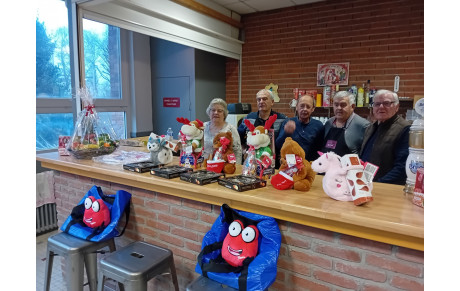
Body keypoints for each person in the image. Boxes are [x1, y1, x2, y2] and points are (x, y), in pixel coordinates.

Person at [360, 89, 410, 185]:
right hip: (367, 183)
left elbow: (402, 167)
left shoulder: (404, 129)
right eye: (377, 104)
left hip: (387, 188)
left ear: (397, 107)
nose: (381, 107)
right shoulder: (370, 128)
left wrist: (379, 184)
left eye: (386, 103)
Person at [275, 94, 324, 162]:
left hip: (310, 165)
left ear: (313, 109)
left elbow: (321, 149)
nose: (304, 109)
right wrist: (286, 133)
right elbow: (278, 145)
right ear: (297, 107)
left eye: (308, 107)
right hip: (290, 165)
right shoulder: (288, 122)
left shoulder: (318, 125)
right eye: (302, 106)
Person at [321, 91, 370, 156]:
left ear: (352, 107)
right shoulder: (329, 123)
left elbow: (367, 154)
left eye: (343, 105)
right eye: (336, 105)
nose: (339, 108)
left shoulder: (363, 125)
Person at [203, 98, 243, 164]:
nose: (216, 113)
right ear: (209, 112)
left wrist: (236, 167)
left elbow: (237, 151)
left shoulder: (231, 129)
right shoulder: (203, 127)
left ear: (224, 114)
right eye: (213, 110)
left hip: (224, 167)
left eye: (219, 111)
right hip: (204, 166)